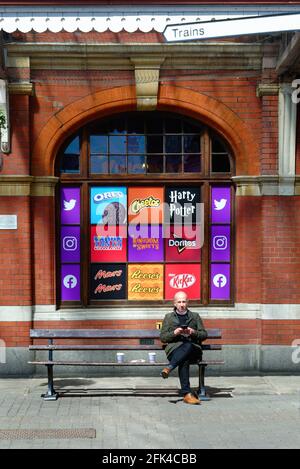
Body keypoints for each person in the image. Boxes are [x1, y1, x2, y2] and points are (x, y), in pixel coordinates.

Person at [159, 291, 207, 405]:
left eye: (184, 301)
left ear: (187, 303)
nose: (182, 304)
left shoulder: (195, 316)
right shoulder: (169, 317)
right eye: (179, 302)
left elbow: (204, 335)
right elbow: (163, 338)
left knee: (188, 345)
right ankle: (187, 394)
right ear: (175, 303)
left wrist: (193, 332)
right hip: (175, 350)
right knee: (183, 359)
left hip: (193, 350)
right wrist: (175, 333)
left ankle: (169, 368)